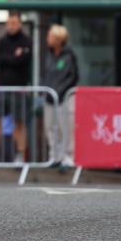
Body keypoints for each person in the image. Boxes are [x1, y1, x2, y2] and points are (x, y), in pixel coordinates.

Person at [0, 12, 32, 163]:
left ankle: (20, 154)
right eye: (9, 23)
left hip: (19, 89)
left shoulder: (26, 41)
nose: (12, 26)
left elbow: (22, 61)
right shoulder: (2, 41)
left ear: (20, 24)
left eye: (14, 23)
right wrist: (13, 57)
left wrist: (7, 59)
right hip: (2, 88)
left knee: (19, 122)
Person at [42, 24, 79, 168]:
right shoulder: (49, 55)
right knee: (50, 127)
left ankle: (68, 156)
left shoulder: (69, 55)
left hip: (64, 97)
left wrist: (60, 92)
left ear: (58, 39)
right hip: (50, 97)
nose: (48, 39)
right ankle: (54, 155)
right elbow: (46, 75)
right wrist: (46, 91)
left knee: (65, 128)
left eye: (50, 36)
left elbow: (72, 77)